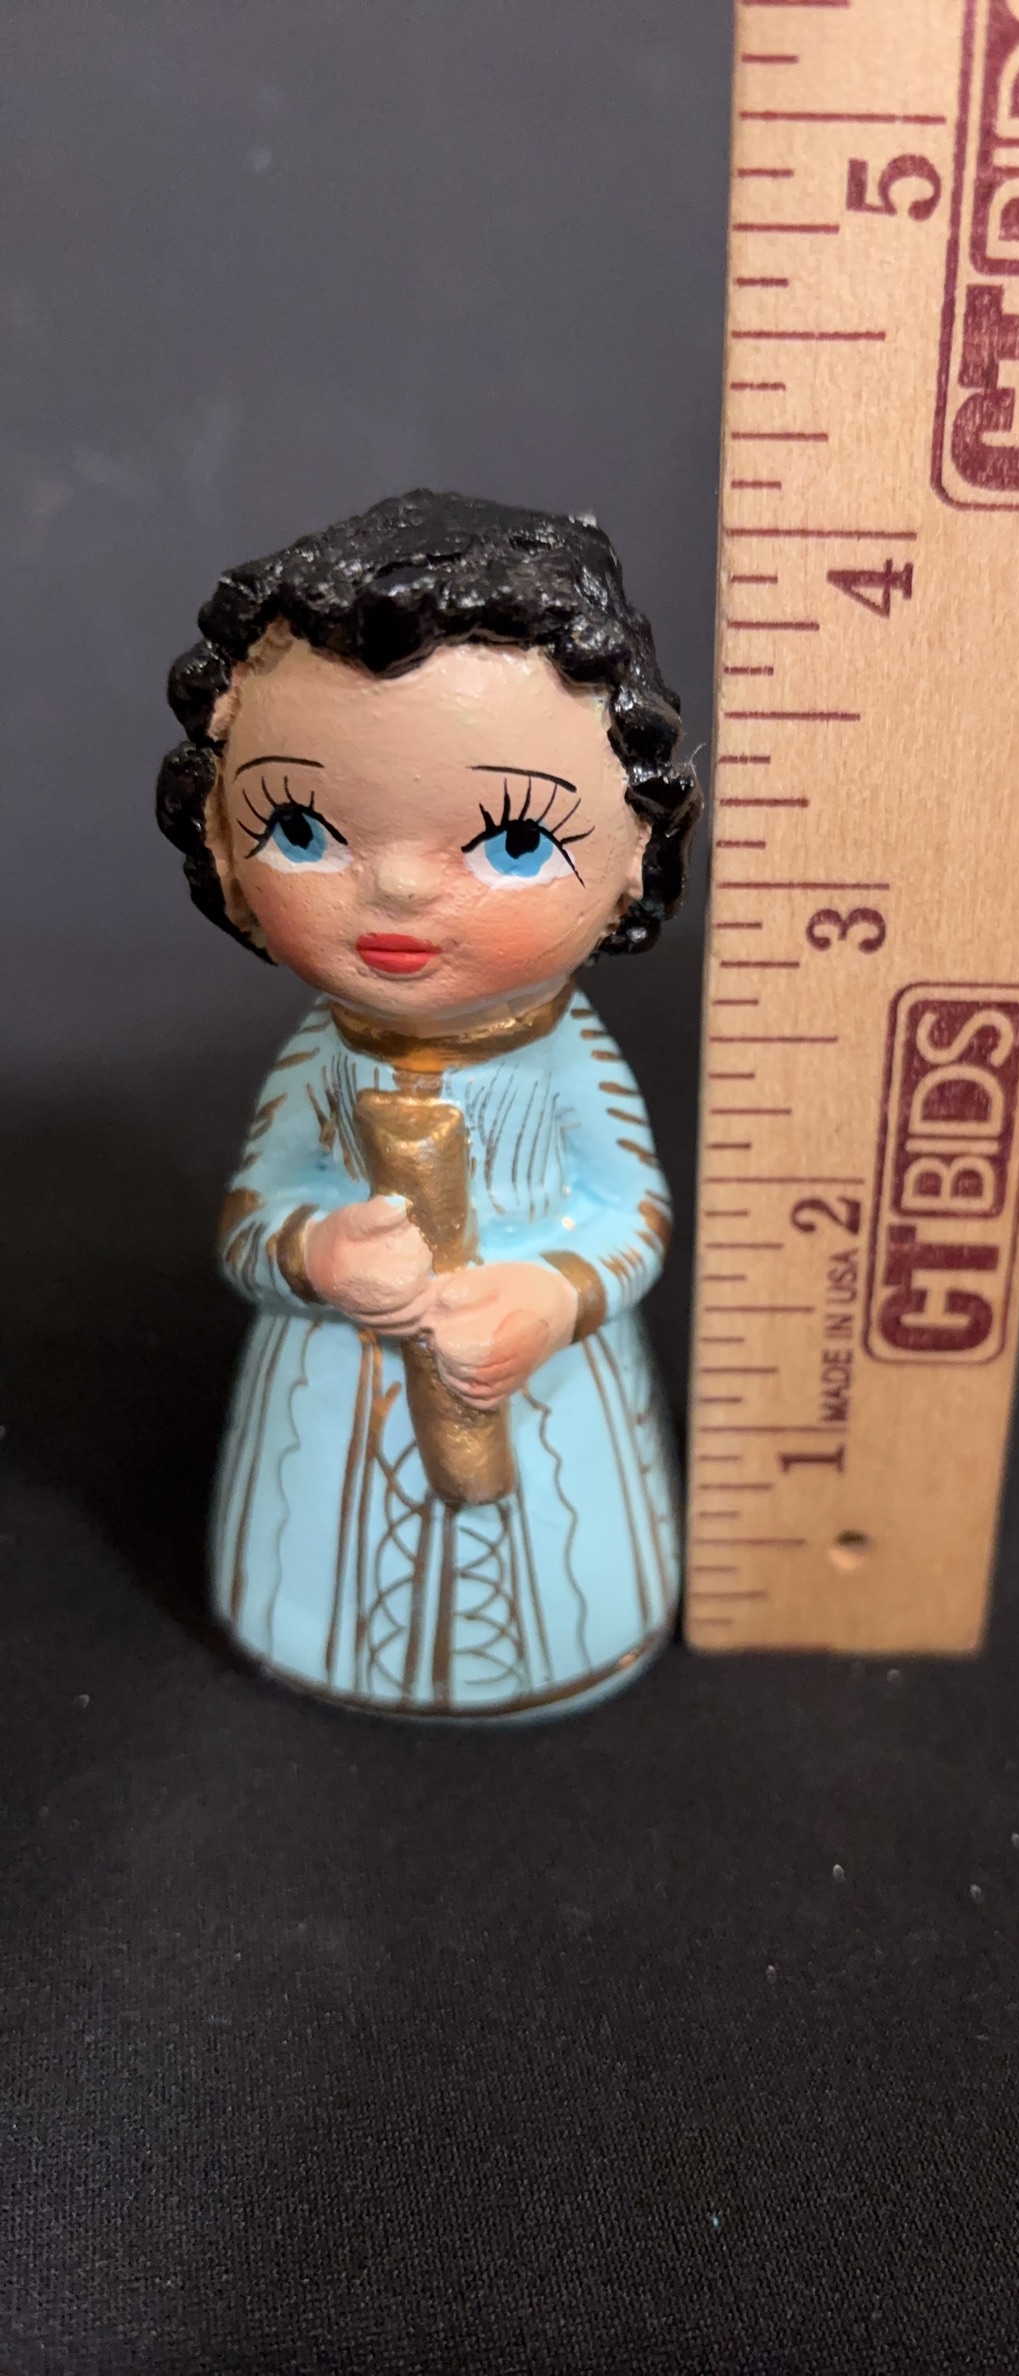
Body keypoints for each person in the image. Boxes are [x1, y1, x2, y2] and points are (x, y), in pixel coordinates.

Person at [157, 489, 699, 1718]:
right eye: (302, 827)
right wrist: (315, 1254)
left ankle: (568, 1634)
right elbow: (250, 1220)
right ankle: (317, 1630)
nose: (396, 892)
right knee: (327, 1531)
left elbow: (634, 1215)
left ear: (634, 853)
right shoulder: (325, 1057)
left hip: (537, 1393)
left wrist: (548, 1297)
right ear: (224, 844)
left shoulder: (565, 1060)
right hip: (337, 1395)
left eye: (511, 842)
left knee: (557, 1539)